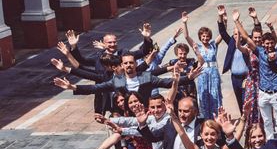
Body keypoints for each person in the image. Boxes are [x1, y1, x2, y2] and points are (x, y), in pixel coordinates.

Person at [235, 7, 277, 139]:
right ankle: (270, 145)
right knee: (267, 122)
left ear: (274, 43)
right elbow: (246, 37)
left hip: (276, 93)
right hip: (263, 93)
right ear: (262, 44)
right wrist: (237, 22)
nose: (269, 46)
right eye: (266, 43)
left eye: (271, 43)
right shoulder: (259, 52)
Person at [53, 52, 199, 105]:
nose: (129, 65)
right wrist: (73, 87)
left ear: (136, 64)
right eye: (126, 63)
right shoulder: (118, 81)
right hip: (128, 115)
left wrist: (188, 77)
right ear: (122, 65)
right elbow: (96, 88)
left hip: (147, 112)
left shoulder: (145, 77)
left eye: (131, 62)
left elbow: (166, 82)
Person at [182, 13, 222, 119]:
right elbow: (186, 36)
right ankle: (206, 119)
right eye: (203, 36)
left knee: (215, 95)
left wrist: (221, 18)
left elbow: (222, 34)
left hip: (213, 73)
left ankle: (217, 118)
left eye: (207, 36)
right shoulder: (197, 46)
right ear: (200, 37)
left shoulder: (213, 45)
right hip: (203, 73)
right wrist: (185, 23)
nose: (205, 38)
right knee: (204, 96)